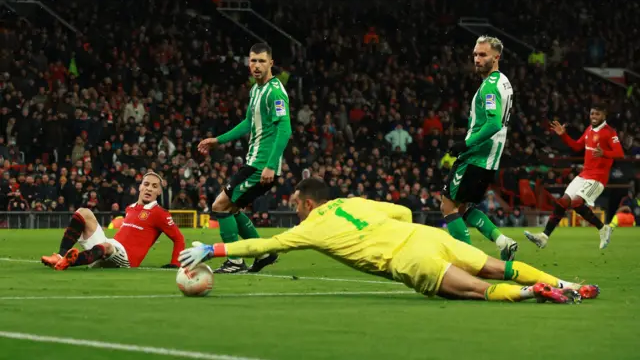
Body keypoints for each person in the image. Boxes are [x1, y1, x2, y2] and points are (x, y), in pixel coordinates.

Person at [179, 178, 600, 304]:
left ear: (308, 203)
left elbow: (259, 245)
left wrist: (211, 249)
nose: (296, 208)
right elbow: (401, 212)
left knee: (479, 289)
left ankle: (532, 293)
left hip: (408, 258)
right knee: (496, 265)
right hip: (424, 234)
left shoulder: (309, 227)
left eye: (296, 203)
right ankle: (567, 284)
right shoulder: (352, 200)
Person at [197, 42, 292, 273]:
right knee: (231, 208)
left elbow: (285, 128)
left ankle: (235, 261)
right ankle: (264, 252)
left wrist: (270, 165)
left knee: (221, 205)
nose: (256, 66)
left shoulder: (275, 91)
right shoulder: (256, 90)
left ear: (271, 62)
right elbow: (248, 123)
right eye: (253, 61)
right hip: (253, 163)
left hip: (261, 166)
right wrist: (218, 140)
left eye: (261, 61)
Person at [441, 35, 518, 261]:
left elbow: (494, 123)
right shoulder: (503, 81)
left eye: (482, 54)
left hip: (476, 156)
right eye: (475, 54)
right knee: (462, 207)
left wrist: (464, 143)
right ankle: (503, 242)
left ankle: (468, 261)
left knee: (448, 206)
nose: (476, 59)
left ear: (496, 57)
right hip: (489, 159)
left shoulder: (490, 88)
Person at [525, 105, 624, 249]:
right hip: (584, 174)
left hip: (597, 177)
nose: (594, 117)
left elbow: (620, 153)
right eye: (592, 114)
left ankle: (603, 229)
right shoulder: (589, 129)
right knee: (562, 202)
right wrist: (563, 135)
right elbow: (577, 146)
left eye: (597, 114)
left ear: (604, 115)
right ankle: (544, 236)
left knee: (577, 203)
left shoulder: (609, 132)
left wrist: (604, 153)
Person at [40, 171, 185, 270]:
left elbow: (179, 238)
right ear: (140, 186)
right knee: (83, 212)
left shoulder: (160, 213)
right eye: (146, 184)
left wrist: (175, 264)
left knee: (107, 246)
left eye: (154, 187)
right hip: (109, 248)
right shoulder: (131, 208)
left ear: (159, 192)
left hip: (126, 259)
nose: (149, 189)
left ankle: (67, 262)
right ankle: (60, 256)